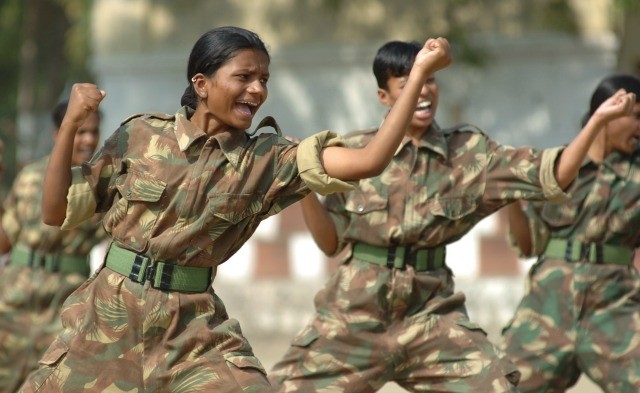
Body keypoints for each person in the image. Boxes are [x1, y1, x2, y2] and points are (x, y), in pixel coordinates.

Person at [18, 26, 452, 392]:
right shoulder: (140, 135)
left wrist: (417, 76)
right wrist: (70, 125)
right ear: (201, 83)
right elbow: (55, 210)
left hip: (190, 329)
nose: (258, 89)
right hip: (106, 320)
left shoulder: (268, 160)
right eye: (244, 76)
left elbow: (369, 159)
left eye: (264, 79)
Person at [268, 41, 637, 393]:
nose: (425, 91)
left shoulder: (470, 154)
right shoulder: (355, 150)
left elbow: (553, 173)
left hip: (431, 314)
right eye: (411, 81)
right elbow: (331, 243)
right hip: (354, 314)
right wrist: (304, 190)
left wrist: (597, 121)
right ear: (385, 96)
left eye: (430, 79)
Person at [501, 74, 640, 393]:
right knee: (502, 387)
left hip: (614, 307)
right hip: (547, 308)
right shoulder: (557, 167)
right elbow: (527, 246)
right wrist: (512, 203)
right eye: (636, 117)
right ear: (606, 114)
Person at [0, 101, 106, 392]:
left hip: (65, 312)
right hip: (13, 306)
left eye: (94, 132)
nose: (88, 139)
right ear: (58, 133)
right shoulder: (31, 177)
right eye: (80, 131)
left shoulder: (99, 184)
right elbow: (3, 243)